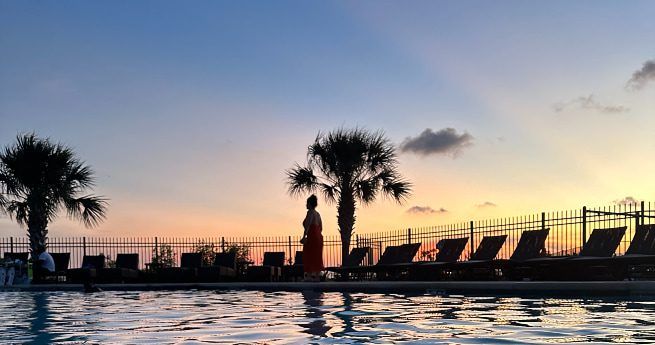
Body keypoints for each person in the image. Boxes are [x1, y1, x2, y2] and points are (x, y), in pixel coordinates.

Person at [301, 194, 324, 282]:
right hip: (318, 236)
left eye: (307, 203)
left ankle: (309, 276)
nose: (306, 205)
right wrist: (317, 234)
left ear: (310, 204)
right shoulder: (318, 214)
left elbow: (308, 225)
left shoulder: (310, 212)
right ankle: (317, 277)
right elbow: (321, 227)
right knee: (317, 255)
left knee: (308, 254)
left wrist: (304, 236)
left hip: (312, 235)